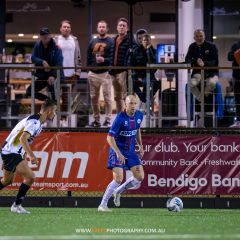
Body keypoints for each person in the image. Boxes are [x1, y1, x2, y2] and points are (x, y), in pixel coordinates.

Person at [0, 99, 57, 214]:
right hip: (11, 152)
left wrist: (10, 155)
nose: (55, 114)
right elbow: (22, 139)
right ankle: (16, 206)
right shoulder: (34, 122)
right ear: (49, 111)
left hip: (11, 152)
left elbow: (18, 138)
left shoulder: (37, 122)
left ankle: (16, 206)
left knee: (7, 181)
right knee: (30, 177)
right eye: (54, 111)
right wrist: (32, 156)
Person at [98, 95, 144, 212]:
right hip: (117, 149)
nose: (133, 106)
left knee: (140, 177)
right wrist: (118, 152)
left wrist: (140, 145)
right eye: (130, 104)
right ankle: (102, 205)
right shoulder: (120, 118)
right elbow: (109, 137)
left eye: (135, 103)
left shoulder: (139, 115)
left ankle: (119, 191)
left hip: (131, 151)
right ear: (125, 105)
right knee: (118, 178)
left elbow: (137, 129)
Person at [54, 20, 82, 127]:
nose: (66, 29)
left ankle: (63, 120)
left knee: (66, 99)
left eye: (68, 27)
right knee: (55, 98)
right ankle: (53, 119)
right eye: (64, 27)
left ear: (70, 29)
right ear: (60, 29)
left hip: (71, 74)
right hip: (58, 74)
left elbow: (79, 57)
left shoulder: (74, 40)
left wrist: (77, 73)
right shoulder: (56, 40)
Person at [87, 20, 113, 127]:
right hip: (93, 73)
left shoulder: (111, 42)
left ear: (107, 29)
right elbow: (88, 56)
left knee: (107, 98)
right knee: (94, 98)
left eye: (103, 27)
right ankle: (96, 120)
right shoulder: (92, 41)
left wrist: (104, 60)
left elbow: (112, 58)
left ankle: (108, 120)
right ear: (97, 29)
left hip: (105, 73)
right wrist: (89, 69)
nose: (101, 28)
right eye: (100, 27)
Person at [27, 27, 64, 101]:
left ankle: (53, 104)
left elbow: (59, 63)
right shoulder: (37, 46)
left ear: (50, 35)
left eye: (46, 35)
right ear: (40, 36)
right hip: (43, 76)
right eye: (43, 35)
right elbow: (33, 58)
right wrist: (42, 62)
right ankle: (49, 101)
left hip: (54, 76)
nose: (45, 37)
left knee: (54, 94)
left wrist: (53, 76)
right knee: (29, 91)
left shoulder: (56, 47)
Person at [110, 18, 137, 113]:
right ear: (117, 27)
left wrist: (128, 66)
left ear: (127, 28)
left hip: (123, 72)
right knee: (117, 97)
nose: (121, 27)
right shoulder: (114, 39)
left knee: (126, 96)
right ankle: (119, 117)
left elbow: (135, 53)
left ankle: (128, 116)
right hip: (113, 72)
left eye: (123, 26)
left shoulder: (130, 40)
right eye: (120, 25)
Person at [185, 29, 219, 102]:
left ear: (204, 37)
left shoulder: (212, 46)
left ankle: (203, 98)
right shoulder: (192, 46)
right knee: (190, 85)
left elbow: (215, 62)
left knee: (212, 83)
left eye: (201, 36)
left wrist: (204, 63)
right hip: (197, 73)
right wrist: (195, 62)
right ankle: (201, 98)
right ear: (194, 38)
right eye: (197, 36)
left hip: (211, 73)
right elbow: (187, 59)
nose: (199, 38)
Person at [131, 34, 160, 105]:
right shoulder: (136, 51)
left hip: (149, 74)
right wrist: (138, 75)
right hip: (138, 74)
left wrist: (148, 51)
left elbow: (154, 64)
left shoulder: (154, 51)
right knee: (131, 82)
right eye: (144, 40)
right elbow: (132, 63)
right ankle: (144, 99)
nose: (146, 42)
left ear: (150, 42)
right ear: (142, 41)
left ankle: (147, 98)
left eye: (147, 40)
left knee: (157, 83)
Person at [227, 39, 240, 121]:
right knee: (238, 99)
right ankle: (239, 121)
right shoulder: (235, 45)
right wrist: (236, 53)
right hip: (238, 77)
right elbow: (229, 57)